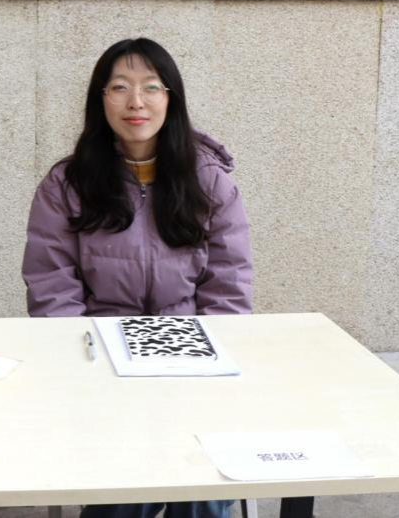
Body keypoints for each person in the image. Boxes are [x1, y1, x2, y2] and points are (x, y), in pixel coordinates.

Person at [21, 37, 252, 518]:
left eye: (151, 87)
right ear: (101, 99)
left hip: (190, 358)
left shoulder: (209, 180)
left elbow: (228, 285)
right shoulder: (67, 184)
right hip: (103, 359)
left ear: (171, 99)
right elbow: (52, 287)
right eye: (120, 87)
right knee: (125, 490)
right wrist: (87, 365)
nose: (136, 102)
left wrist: (204, 362)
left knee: (202, 489)